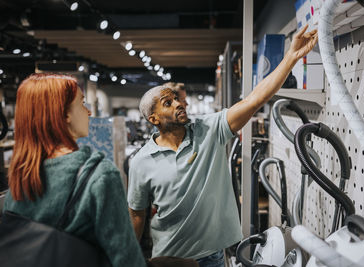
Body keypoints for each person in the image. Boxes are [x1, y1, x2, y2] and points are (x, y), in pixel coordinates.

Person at [127, 25, 318, 267]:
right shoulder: (141, 161)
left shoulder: (209, 129)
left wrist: (291, 57)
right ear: (154, 119)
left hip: (213, 256)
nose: (178, 103)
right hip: (169, 259)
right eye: (168, 102)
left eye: (177, 98)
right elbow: (137, 213)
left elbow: (254, 99)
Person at [4, 73, 147, 267]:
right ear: (64, 114)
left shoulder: (21, 175)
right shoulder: (99, 175)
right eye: (82, 103)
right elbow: (126, 258)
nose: (88, 112)